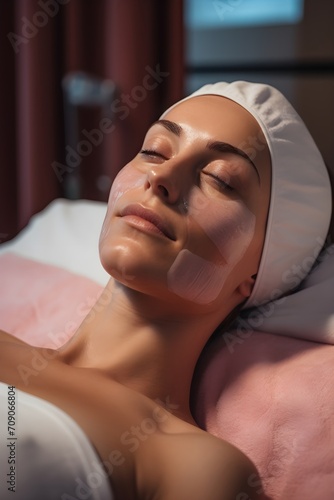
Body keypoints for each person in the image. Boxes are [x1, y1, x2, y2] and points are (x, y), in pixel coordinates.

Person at [0, 81, 331, 500]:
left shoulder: (192, 465)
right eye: (154, 151)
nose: (161, 177)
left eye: (221, 179)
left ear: (259, 272)